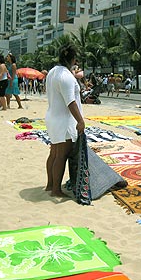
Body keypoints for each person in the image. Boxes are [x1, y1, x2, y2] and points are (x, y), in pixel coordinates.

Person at [45, 44, 85, 197]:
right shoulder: (67, 76)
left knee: (54, 153)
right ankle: (56, 190)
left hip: (53, 117)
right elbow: (71, 102)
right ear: (73, 59)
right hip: (63, 120)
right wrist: (80, 121)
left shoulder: (53, 72)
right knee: (61, 155)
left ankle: (50, 185)